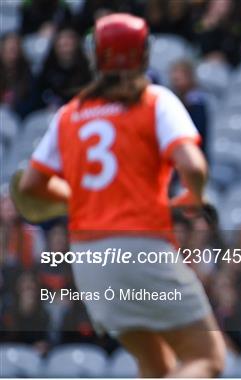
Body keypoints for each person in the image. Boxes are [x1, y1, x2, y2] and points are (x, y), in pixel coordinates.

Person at [19, 14, 225, 377]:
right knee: (207, 358)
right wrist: (194, 195)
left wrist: (81, 198)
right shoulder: (155, 100)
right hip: (141, 246)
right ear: (144, 56)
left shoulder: (70, 114)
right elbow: (192, 164)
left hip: (87, 258)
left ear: (95, 58)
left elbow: (30, 186)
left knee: (155, 365)